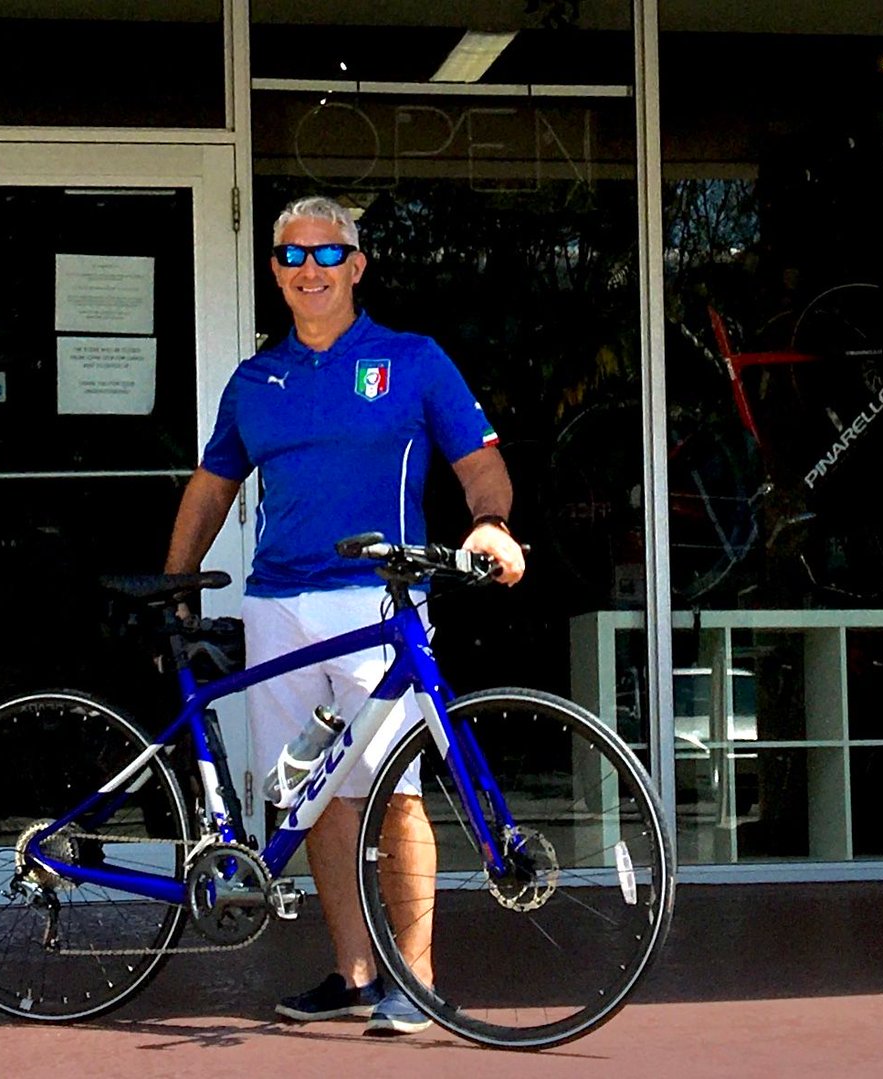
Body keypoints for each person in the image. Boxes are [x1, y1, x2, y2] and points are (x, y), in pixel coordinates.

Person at [164, 195, 526, 1035]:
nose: (309, 270)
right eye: (292, 257)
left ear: (357, 267)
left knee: (395, 791)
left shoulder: (413, 359)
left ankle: (418, 977)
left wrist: (490, 524)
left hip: (380, 600)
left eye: (327, 256)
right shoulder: (254, 380)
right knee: (312, 795)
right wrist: (177, 578)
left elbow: (480, 466)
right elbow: (213, 485)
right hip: (276, 607)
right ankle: (354, 969)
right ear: (276, 273)